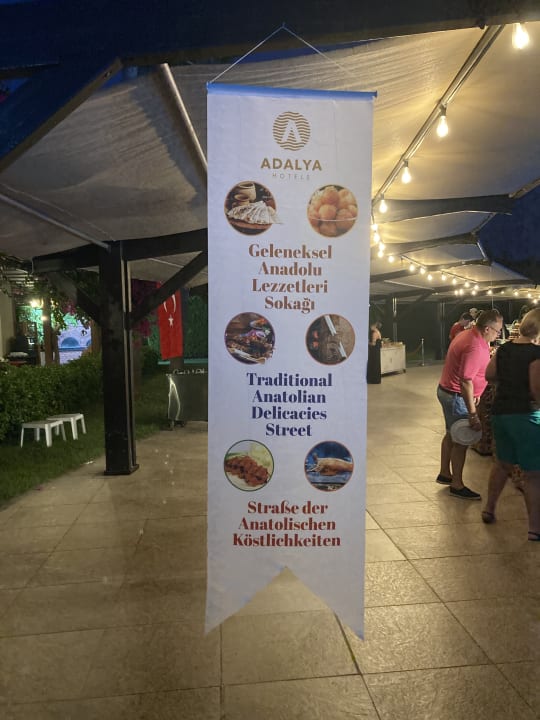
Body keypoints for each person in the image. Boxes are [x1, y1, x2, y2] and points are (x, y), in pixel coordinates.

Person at [480, 308, 540, 540]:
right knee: (533, 474)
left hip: (501, 413)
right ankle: (535, 527)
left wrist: (507, 383)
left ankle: (489, 508)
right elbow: (536, 388)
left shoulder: (504, 349)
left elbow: (489, 374)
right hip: (525, 415)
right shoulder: (535, 353)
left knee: (502, 464)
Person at [436, 308, 504, 499]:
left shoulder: (468, 334)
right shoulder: (475, 345)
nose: (498, 335)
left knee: (451, 433)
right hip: (457, 396)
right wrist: (473, 414)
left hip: (448, 391)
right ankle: (457, 484)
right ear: (487, 328)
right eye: (498, 331)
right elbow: (465, 380)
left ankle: (445, 473)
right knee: (461, 440)